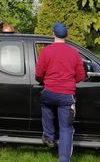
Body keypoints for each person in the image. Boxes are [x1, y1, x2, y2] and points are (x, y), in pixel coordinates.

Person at [35, 22, 85, 162]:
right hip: (66, 96)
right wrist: (68, 83)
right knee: (66, 128)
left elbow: (38, 74)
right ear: (66, 36)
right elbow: (81, 75)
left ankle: (49, 137)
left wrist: (43, 80)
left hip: (49, 92)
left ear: (53, 34)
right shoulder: (74, 53)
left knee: (45, 106)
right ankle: (63, 159)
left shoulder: (46, 51)